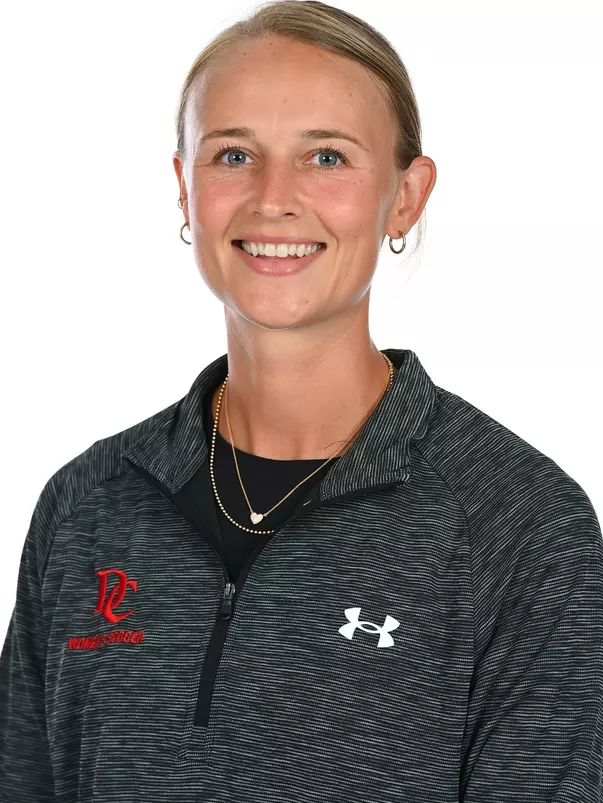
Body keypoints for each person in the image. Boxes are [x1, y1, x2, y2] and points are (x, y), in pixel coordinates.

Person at [1, 1, 602, 801]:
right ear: (185, 188)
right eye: (233, 155)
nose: (273, 198)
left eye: (325, 156)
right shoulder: (86, 505)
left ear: (405, 196)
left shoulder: (521, 525)